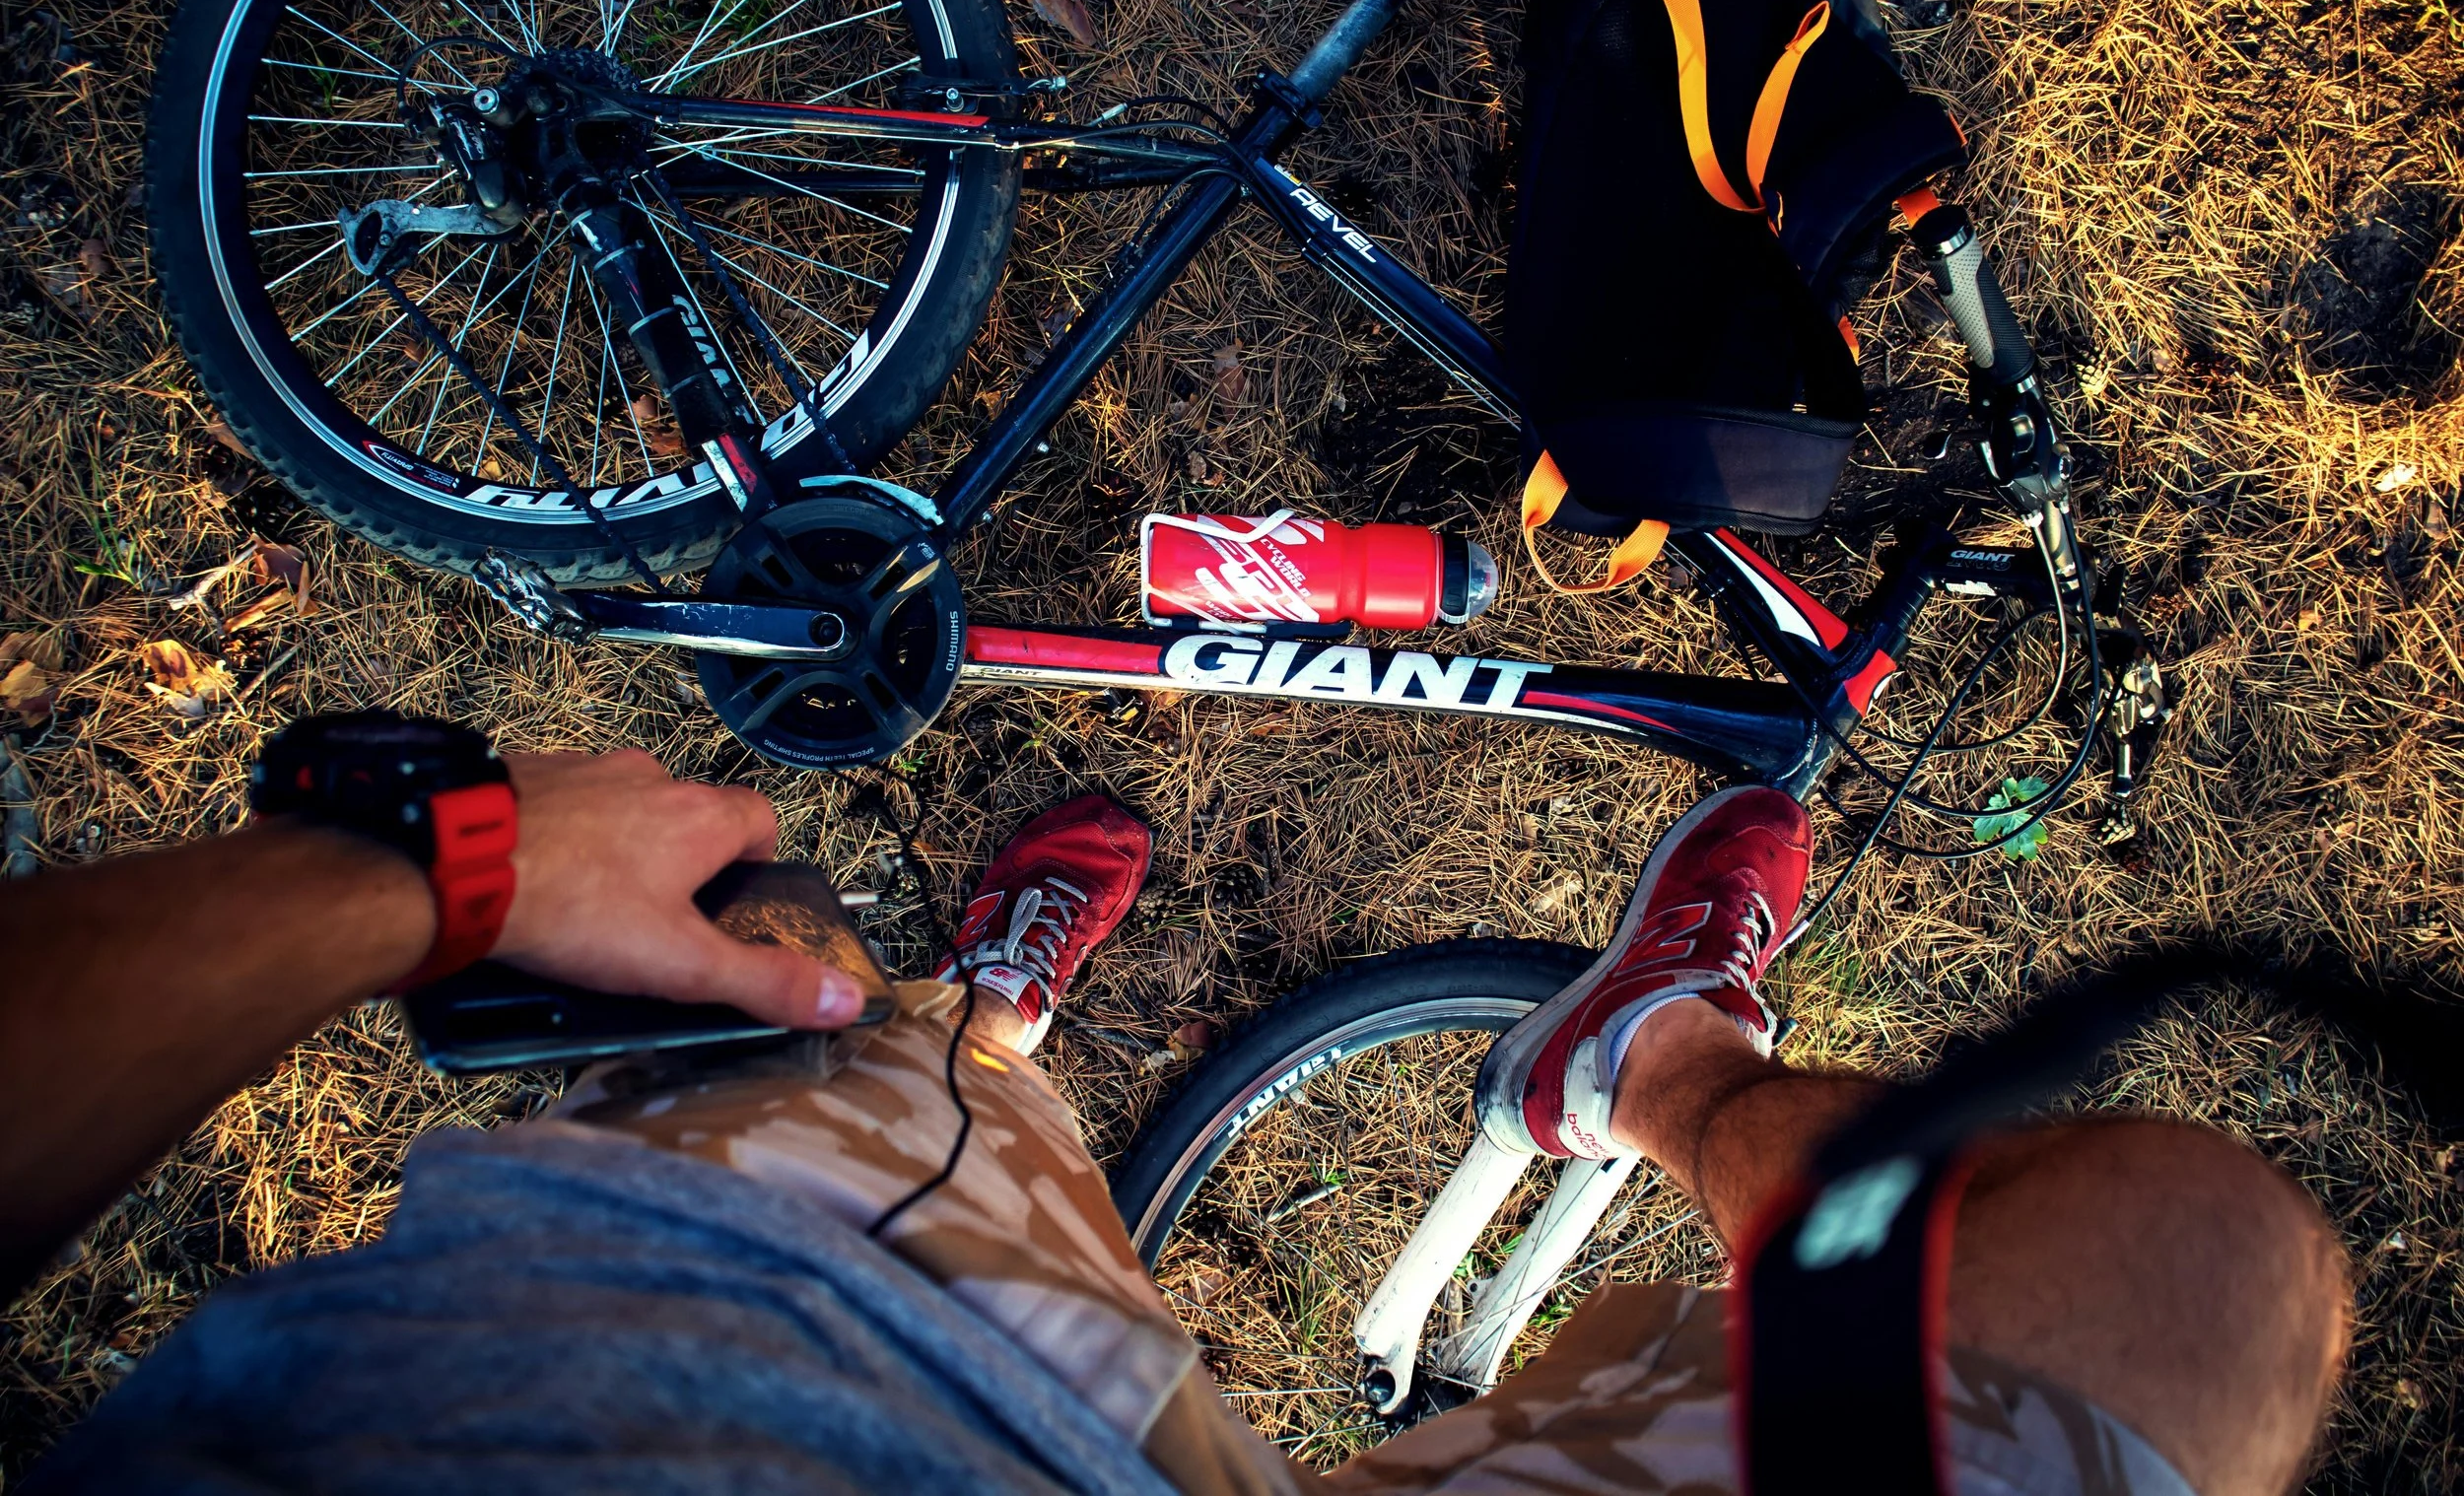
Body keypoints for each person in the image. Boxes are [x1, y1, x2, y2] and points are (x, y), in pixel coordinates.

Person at [0, 741, 2349, 1495]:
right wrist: (425, 868)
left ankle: (985, 1036)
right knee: (2200, 1279)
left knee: (806, 981)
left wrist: (422, 872)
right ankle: (1655, 1064)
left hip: (806, 1360)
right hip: (875, 1377)